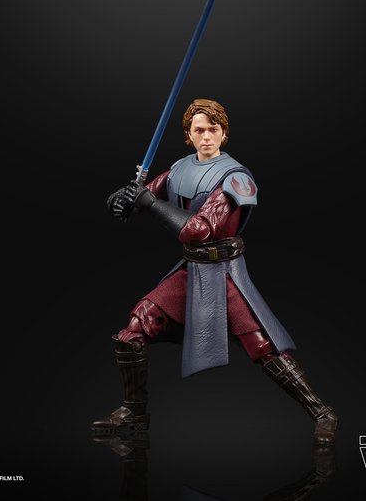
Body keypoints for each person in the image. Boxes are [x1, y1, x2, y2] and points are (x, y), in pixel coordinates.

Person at [92, 99, 338, 444]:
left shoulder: (234, 178)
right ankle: (135, 412)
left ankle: (322, 413)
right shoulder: (179, 169)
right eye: (199, 130)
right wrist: (123, 199)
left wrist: (150, 204)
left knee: (263, 346)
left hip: (223, 275)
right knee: (136, 326)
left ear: (224, 133)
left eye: (214, 129)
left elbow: (200, 230)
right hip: (191, 271)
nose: (206, 136)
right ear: (188, 135)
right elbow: (143, 197)